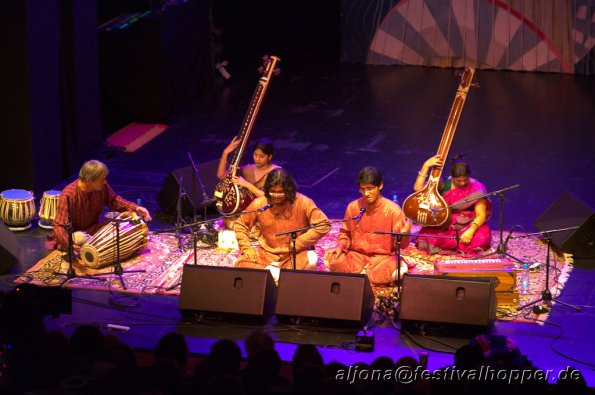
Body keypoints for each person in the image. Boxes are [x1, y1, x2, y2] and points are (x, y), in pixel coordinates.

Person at [325, 167, 411, 286]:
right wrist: (340, 245)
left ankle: (360, 276)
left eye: (370, 189)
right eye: (362, 189)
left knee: (401, 270)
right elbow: (345, 233)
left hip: (382, 259)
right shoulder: (353, 207)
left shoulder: (393, 210)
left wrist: (404, 235)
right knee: (331, 260)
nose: (366, 194)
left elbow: (402, 245)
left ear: (380, 186)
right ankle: (370, 278)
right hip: (356, 256)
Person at [233, 168, 329, 273]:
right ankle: (276, 273)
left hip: (294, 254)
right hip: (266, 254)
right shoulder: (260, 203)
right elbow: (240, 224)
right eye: (273, 192)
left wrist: (299, 242)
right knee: (241, 263)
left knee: (311, 259)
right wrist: (246, 247)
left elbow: (324, 225)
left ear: (288, 190)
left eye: (280, 192)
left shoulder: (303, 202)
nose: (276, 196)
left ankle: (271, 273)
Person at [53, 160, 152, 251]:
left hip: (94, 229)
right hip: (77, 234)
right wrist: (68, 243)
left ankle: (96, 243)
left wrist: (136, 208)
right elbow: (59, 226)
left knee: (123, 225)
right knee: (79, 239)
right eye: (102, 179)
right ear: (90, 180)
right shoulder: (69, 194)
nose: (105, 182)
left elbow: (114, 200)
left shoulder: (102, 186)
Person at [413, 154, 491, 254]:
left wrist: (471, 231)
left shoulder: (476, 187)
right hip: (445, 223)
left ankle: (457, 243)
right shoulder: (443, 184)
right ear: (452, 176)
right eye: (458, 180)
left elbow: (481, 215)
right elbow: (418, 189)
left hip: (468, 223)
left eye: (465, 179)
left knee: (482, 237)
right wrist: (426, 166)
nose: (462, 183)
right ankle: (455, 244)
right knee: (426, 239)